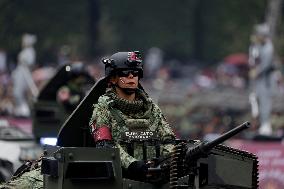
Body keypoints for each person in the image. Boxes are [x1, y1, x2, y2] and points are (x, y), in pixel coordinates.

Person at [89, 51, 176, 181]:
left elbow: (169, 139)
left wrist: (164, 162)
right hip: (123, 179)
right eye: (125, 73)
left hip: (156, 176)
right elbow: (106, 147)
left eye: (135, 73)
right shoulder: (103, 109)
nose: (131, 76)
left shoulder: (151, 108)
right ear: (113, 78)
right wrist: (133, 165)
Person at [248, 23, 275, 135]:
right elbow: (253, 58)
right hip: (259, 81)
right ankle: (258, 125)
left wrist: (257, 72)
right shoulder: (258, 45)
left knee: (265, 103)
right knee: (255, 100)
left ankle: (265, 127)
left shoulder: (269, 47)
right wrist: (253, 46)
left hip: (266, 81)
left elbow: (265, 64)